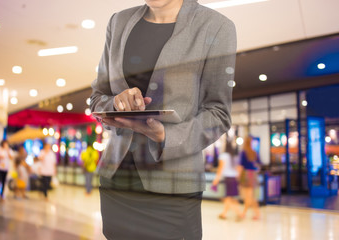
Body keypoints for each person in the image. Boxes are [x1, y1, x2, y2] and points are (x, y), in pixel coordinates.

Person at [90, 0, 236, 239]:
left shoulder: (216, 26)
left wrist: (166, 136)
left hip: (174, 188)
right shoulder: (119, 22)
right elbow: (97, 98)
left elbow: (218, 113)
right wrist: (116, 102)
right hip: (117, 179)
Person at [211, 136, 241, 221]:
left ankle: (237, 213)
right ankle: (225, 213)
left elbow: (220, 170)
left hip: (228, 179)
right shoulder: (233, 156)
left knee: (228, 197)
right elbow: (238, 169)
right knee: (230, 197)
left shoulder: (223, 156)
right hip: (234, 179)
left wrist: (215, 181)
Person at [238, 136, 261, 220]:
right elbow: (258, 164)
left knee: (248, 196)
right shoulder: (254, 152)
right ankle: (256, 213)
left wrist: (238, 176)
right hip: (253, 174)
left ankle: (244, 213)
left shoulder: (243, 152)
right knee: (251, 195)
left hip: (246, 174)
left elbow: (240, 166)